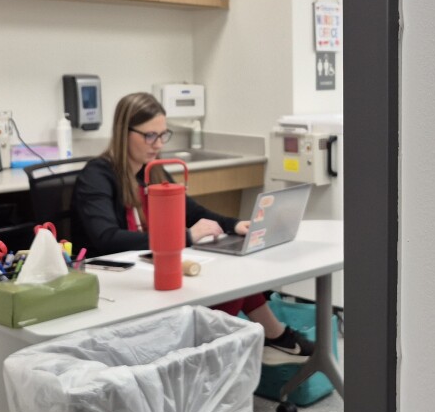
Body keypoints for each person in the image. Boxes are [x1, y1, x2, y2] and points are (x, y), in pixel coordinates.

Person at [71, 92, 313, 363]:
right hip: (115, 280)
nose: (158, 144)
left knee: (233, 278)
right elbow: (107, 239)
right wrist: (184, 237)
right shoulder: (97, 176)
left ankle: (227, 354)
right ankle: (229, 353)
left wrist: (236, 225)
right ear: (123, 132)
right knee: (225, 287)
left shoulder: (154, 171)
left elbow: (194, 212)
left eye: (164, 135)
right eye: (150, 136)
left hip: (150, 265)